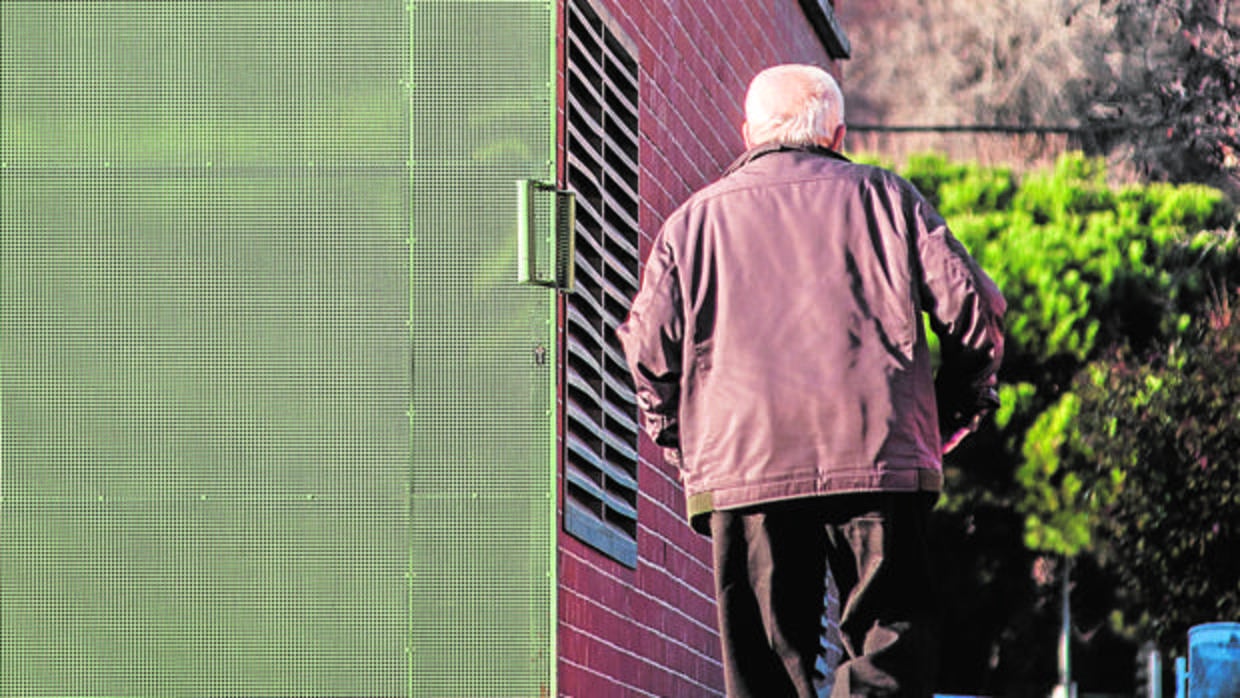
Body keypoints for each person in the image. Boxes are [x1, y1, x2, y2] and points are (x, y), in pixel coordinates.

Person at [616, 64, 1006, 698]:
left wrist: (683, 446)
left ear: (747, 133)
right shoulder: (888, 200)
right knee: (889, 651)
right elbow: (975, 311)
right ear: (838, 134)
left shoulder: (691, 224)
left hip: (747, 465)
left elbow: (647, 353)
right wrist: (949, 414)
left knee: (770, 667)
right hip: (878, 457)